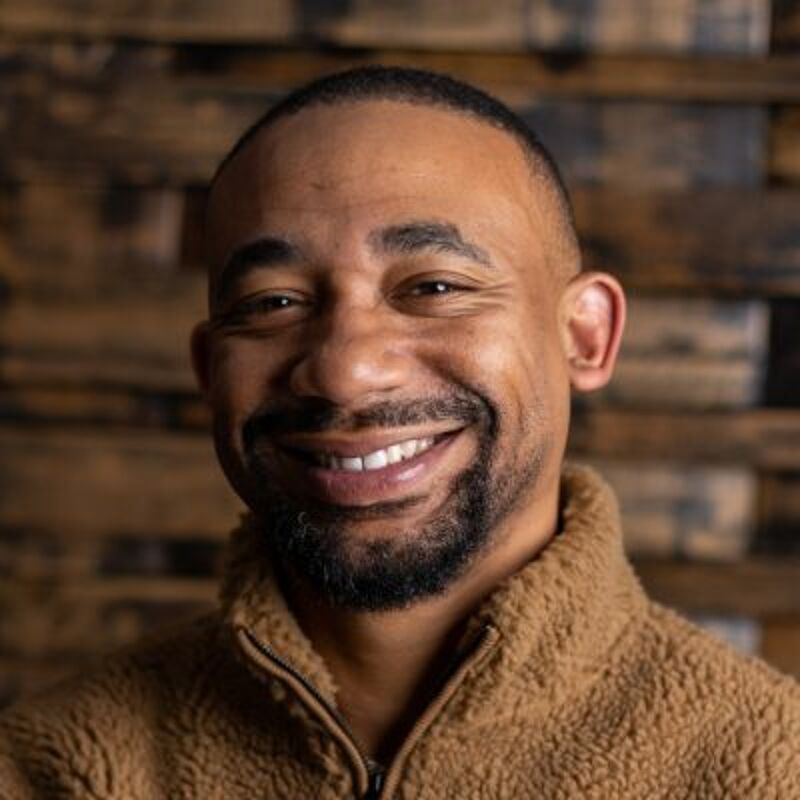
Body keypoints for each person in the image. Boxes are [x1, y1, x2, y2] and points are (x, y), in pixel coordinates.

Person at [1, 66, 799, 799]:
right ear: (210, 371)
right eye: (274, 303)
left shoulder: (765, 770)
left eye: (434, 287)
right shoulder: (55, 769)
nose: (344, 372)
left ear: (584, 336)